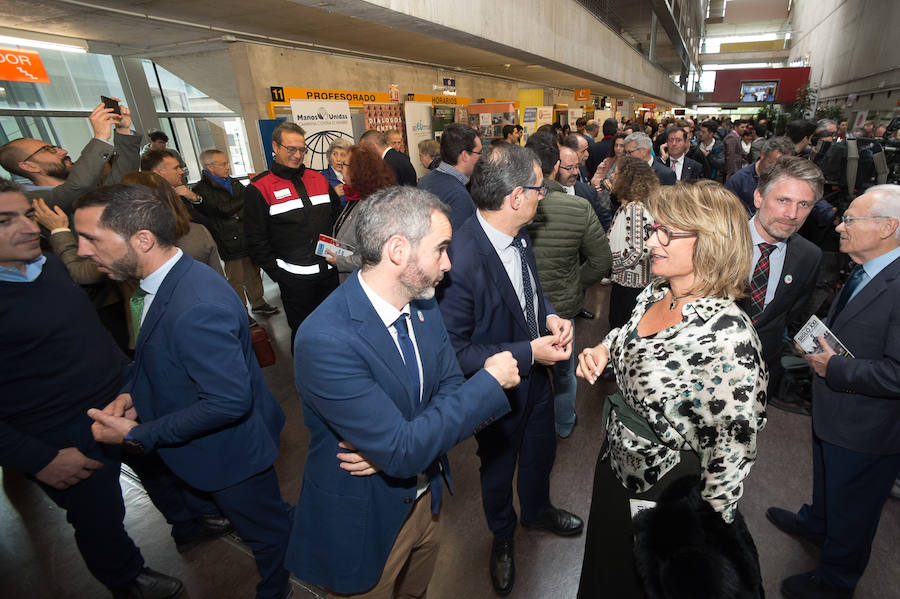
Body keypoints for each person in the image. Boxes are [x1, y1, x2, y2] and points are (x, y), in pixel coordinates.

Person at [286, 185, 519, 598]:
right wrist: (486, 382)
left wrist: (396, 445)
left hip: (426, 502)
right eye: (440, 249)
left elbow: (445, 385)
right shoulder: (326, 338)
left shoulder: (424, 302)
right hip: (366, 520)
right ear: (398, 250)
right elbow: (405, 446)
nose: (448, 263)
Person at [75, 184, 293, 599]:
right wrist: (134, 393)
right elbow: (165, 357)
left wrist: (134, 435)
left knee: (267, 534)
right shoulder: (167, 281)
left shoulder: (194, 304)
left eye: (92, 239)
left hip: (231, 455)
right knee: (266, 518)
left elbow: (228, 401)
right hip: (215, 450)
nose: (83, 251)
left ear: (142, 240)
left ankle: (279, 587)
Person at [576, 181, 768, 598]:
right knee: (608, 568)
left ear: (712, 242)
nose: (652, 241)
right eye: (653, 228)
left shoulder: (728, 337)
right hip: (615, 465)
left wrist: (704, 534)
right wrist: (602, 350)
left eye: (668, 232)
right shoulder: (655, 293)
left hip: (669, 488)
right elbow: (627, 336)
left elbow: (730, 456)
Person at [0, 178, 184, 599]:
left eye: (27, 214)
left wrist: (132, 379)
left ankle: (188, 525)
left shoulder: (45, 263)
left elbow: (87, 331)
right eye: (4, 221)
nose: (29, 228)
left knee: (161, 469)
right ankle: (126, 579)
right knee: (99, 515)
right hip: (57, 432)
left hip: (120, 395)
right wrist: (38, 458)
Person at [438, 143, 582, 596]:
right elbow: (455, 353)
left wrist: (552, 314)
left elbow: (531, 295)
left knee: (541, 453)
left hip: (537, 381)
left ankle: (537, 510)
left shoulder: (516, 233)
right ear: (516, 196)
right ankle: (502, 536)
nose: (545, 196)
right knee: (498, 468)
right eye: (540, 189)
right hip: (496, 391)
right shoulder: (458, 261)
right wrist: (529, 353)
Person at [767, 184, 900, 599]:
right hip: (838, 411)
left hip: (868, 427)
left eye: (851, 220)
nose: (839, 226)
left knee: (855, 507)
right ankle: (816, 523)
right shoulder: (868, 267)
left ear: (887, 227)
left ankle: (835, 581)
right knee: (830, 481)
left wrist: (835, 367)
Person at [524, 132, 611, 438]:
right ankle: (563, 424)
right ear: (557, 165)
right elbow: (601, 261)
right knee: (564, 371)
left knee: (524, 367)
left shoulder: (512, 205)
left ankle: (528, 429)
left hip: (522, 308)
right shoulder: (577, 208)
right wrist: (576, 281)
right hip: (561, 307)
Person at [739, 157, 823, 415]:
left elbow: (797, 314)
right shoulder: (719, 239)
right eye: (783, 200)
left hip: (763, 372)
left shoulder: (809, 255)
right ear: (759, 198)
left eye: (804, 204)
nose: (792, 214)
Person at [244, 122, 341, 344]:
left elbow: (336, 221)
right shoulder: (259, 188)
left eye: (302, 150)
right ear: (276, 147)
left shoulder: (319, 179)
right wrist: (280, 275)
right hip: (295, 281)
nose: (297, 155)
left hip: (330, 274)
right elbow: (256, 239)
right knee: (305, 336)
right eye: (291, 149)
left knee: (335, 331)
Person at [0, 99, 140, 212]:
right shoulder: (37, 203)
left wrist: (123, 130)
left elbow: (124, 176)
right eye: (49, 150)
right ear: (28, 165)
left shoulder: (89, 183)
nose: (63, 151)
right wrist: (100, 137)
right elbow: (77, 187)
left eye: (56, 147)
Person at [191, 149, 279, 317]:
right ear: (210, 167)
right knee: (235, 278)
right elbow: (223, 209)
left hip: (246, 234)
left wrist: (237, 209)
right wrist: (245, 196)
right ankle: (240, 311)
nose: (228, 167)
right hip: (227, 239)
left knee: (253, 273)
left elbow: (246, 207)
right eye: (223, 164)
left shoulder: (233, 183)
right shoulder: (202, 189)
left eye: (227, 163)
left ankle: (258, 303)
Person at [325, 145, 396, 281]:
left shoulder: (373, 206)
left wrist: (340, 261)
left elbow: (377, 256)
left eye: (344, 164)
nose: (340, 167)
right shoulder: (356, 198)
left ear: (357, 170)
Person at [606, 156, 660, 330]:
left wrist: (609, 264)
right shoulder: (631, 206)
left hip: (631, 289)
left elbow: (638, 251)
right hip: (626, 283)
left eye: (616, 173)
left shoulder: (635, 209)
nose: (613, 176)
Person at [418, 123, 483, 231]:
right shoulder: (459, 196)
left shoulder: (425, 180)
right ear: (465, 155)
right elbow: (460, 243)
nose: (482, 157)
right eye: (479, 152)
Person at [141, 149, 211, 229]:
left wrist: (195, 198)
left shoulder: (177, 193)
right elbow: (204, 223)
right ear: (158, 173)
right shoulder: (154, 203)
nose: (181, 172)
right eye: (176, 168)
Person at [726, 136, 795, 215]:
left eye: (783, 166)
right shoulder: (738, 181)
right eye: (772, 164)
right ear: (763, 155)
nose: (777, 170)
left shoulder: (789, 180)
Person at [319, 137, 352, 203]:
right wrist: (333, 195)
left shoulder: (356, 176)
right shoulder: (321, 177)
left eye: (342, 155)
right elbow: (318, 206)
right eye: (335, 154)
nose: (338, 159)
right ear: (329, 156)